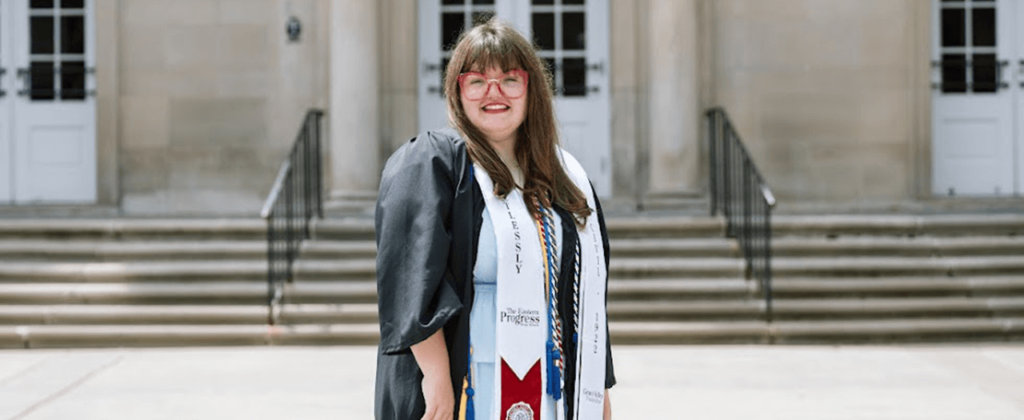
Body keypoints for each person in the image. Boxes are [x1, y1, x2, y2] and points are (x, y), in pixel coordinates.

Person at [374, 19, 614, 420]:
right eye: (477, 80)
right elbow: (410, 282)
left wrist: (597, 393)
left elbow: (586, 297)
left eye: (509, 79)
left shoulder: (567, 179)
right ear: (457, 90)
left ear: (531, 89)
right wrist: (436, 381)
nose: (494, 92)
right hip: (471, 376)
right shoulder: (434, 162)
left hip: (551, 379)